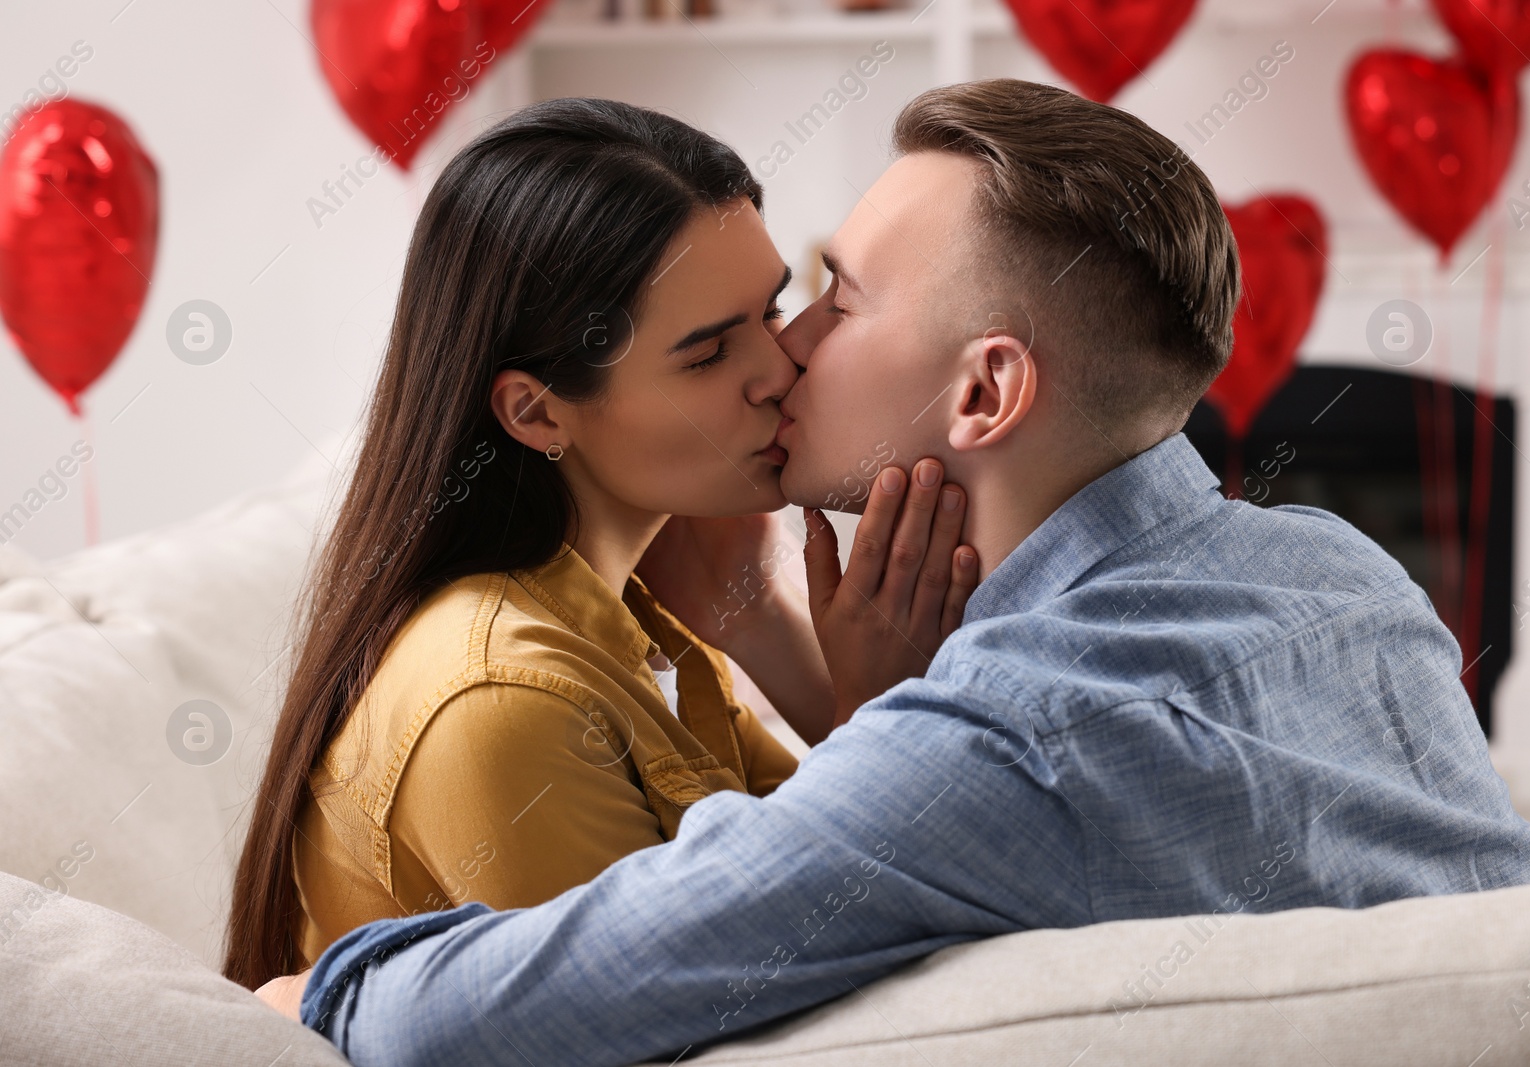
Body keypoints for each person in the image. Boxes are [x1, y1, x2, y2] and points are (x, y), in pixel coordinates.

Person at [258, 80, 1530, 1066]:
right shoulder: (1349, 572)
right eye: (735, 335)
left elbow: (519, 1003)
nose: (793, 351)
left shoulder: (1008, 737)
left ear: (984, 390)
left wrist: (313, 992)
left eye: (836, 292)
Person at [223, 98, 978, 991]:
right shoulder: (502, 699)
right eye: (707, 355)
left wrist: (766, 627)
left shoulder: (625, 623)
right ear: (537, 411)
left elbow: (815, 876)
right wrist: (875, 704)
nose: (781, 369)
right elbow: (747, 1008)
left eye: (769, 311)